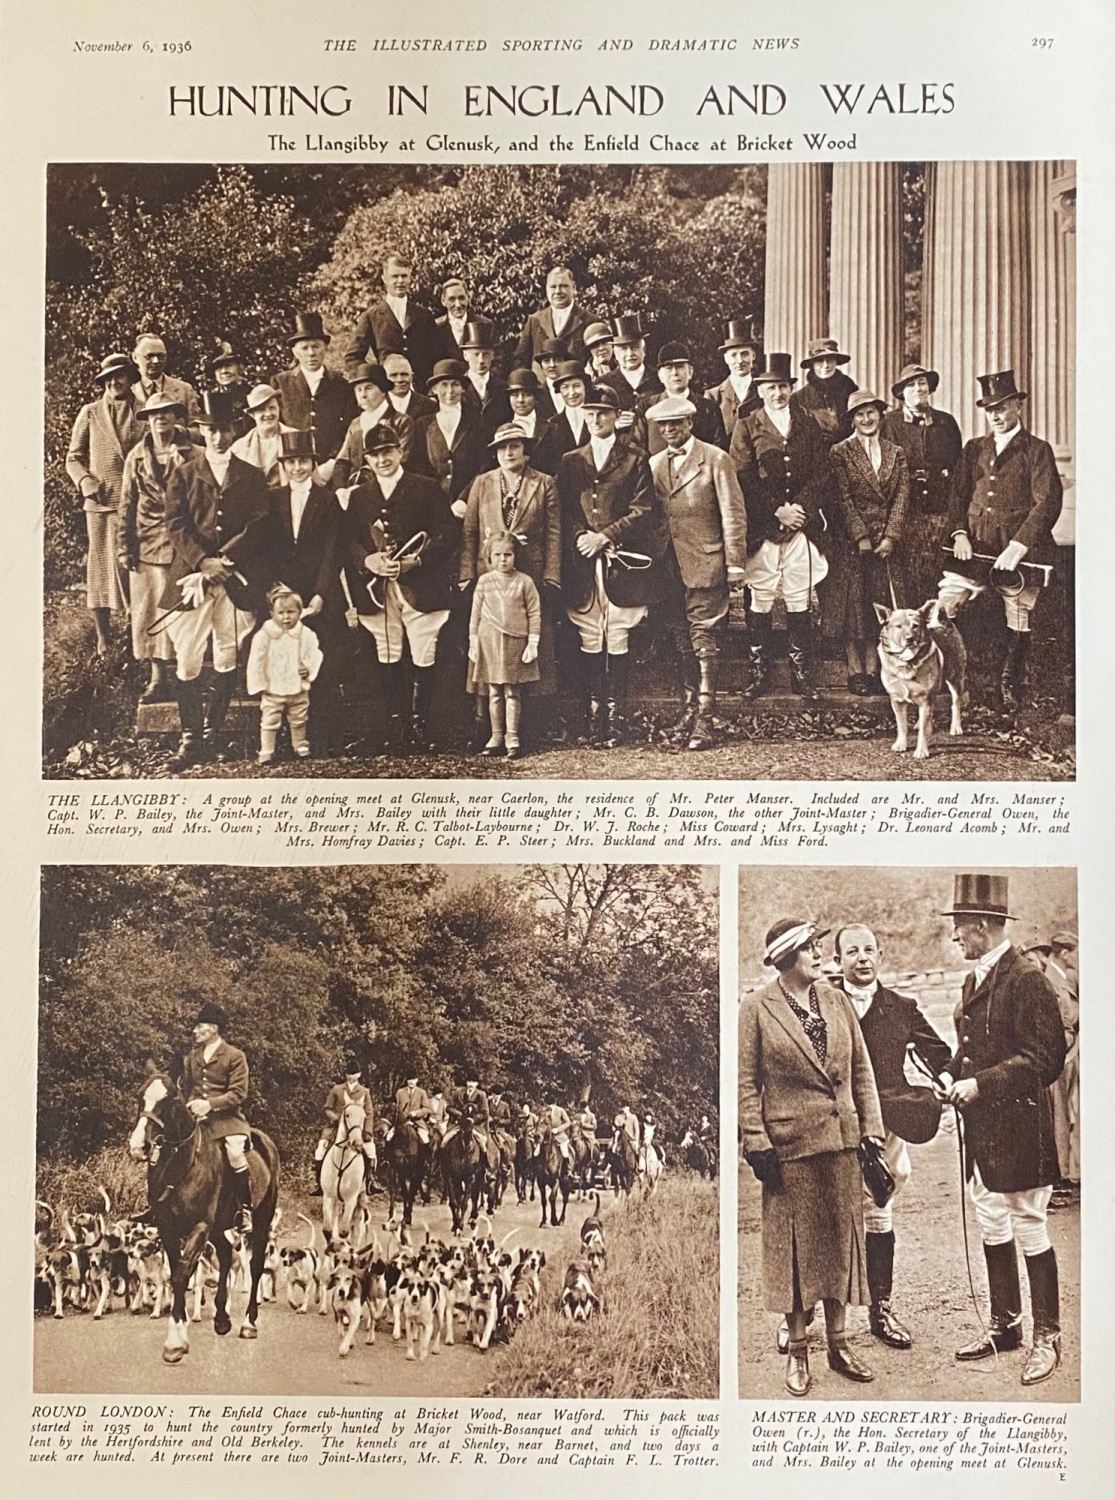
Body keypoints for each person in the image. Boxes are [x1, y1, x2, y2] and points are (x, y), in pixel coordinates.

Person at [739, 917, 884, 1396]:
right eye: (811, 948)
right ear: (787, 957)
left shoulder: (836, 999)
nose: (820, 954)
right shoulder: (757, 1009)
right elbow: (745, 1084)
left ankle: (839, 1345)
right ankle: (799, 1352)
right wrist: (757, 1141)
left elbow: (861, 1069)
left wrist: (872, 1132)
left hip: (841, 1143)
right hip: (790, 1151)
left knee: (840, 1245)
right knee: (796, 1254)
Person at [936, 873, 1067, 1386]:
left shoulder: (1027, 978)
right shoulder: (976, 981)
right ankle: (1006, 1326)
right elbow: (971, 1050)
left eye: (961, 929)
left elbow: (1045, 1058)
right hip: (983, 1131)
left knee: (1029, 1223)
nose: (956, 939)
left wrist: (980, 1085)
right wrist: (952, 1071)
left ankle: (1047, 1336)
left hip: (1020, 1127)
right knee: (992, 1220)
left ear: (986, 927)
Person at [831, 923, 952, 1350]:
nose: (862, 958)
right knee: (829, 1214)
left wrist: (949, 1079)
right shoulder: (823, 1002)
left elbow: (939, 1054)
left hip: (887, 1123)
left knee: (879, 1208)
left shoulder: (901, 1006)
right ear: (837, 961)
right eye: (852, 952)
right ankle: (808, 1312)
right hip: (835, 1123)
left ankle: (880, 1310)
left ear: (880, 956)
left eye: (869, 950)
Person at [940, 370, 1063, 712]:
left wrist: (1019, 545)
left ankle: (1009, 687)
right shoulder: (974, 449)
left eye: (1003, 407)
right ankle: (960, 686)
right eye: (990, 409)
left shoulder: (1036, 450)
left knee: (1018, 616)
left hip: (1018, 554)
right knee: (945, 607)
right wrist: (959, 533)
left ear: (1018, 408)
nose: (995, 415)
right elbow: (957, 499)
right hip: (975, 549)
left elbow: (1048, 501)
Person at [161, 389, 270, 768]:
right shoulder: (183, 474)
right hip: (193, 576)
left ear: (235, 431)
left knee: (228, 650)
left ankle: (213, 734)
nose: (219, 438)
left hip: (235, 578)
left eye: (225, 430)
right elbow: (175, 524)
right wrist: (204, 562)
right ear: (201, 432)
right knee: (188, 655)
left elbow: (259, 522)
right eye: (211, 430)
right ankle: (191, 739)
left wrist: (227, 559)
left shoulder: (252, 475)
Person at [646, 394, 747, 751]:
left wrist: (735, 563)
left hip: (706, 560)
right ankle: (687, 708)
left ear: (690, 423)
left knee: (703, 636)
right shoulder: (655, 463)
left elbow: (733, 514)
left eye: (677, 423)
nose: (670, 430)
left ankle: (706, 715)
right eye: (664, 425)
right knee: (680, 637)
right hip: (669, 567)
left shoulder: (716, 459)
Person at [345, 423, 454, 753]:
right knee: (386, 647)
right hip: (378, 589)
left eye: (387, 452)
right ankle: (397, 722)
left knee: (424, 648)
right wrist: (369, 561)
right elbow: (348, 541)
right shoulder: (360, 495)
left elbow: (446, 535)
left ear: (400, 452)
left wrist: (415, 563)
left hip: (419, 586)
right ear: (367, 460)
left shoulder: (425, 487)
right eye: (375, 455)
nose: (382, 460)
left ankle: (421, 724)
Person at [557, 385, 656, 747]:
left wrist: (607, 536)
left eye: (603, 412)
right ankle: (591, 716)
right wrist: (582, 535)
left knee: (616, 631)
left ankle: (616, 720)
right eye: (590, 412)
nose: (596, 418)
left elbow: (643, 510)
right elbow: (565, 509)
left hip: (619, 561)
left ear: (616, 416)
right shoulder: (571, 461)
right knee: (588, 631)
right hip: (583, 561)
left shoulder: (635, 458)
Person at [733, 352, 833, 703]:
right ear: (760, 390)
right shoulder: (747, 425)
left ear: (792, 388)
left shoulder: (807, 422)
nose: (777, 393)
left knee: (797, 595)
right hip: (764, 525)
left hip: (801, 525)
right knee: (760, 596)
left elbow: (822, 474)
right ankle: (758, 672)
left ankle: (801, 673)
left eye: (783, 386)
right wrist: (777, 511)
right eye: (770, 387)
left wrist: (801, 510)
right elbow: (742, 477)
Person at [459, 420, 560, 727]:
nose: (508, 452)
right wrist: (467, 572)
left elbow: (554, 532)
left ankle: (534, 717)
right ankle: (486, 718)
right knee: (490, 640)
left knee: (530, 639)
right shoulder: (483, 482)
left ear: (525, 450)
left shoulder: (543, 483)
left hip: (529, 572)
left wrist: (552, 572)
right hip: (491, 573)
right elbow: (470, 531)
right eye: (502, 447)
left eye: (514, 446)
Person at [828, 391, 912, 694]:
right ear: (852, 419)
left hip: (886, 544)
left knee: (883, 603)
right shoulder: (840, 452)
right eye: (859, 414)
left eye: (871, 413)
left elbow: (902, 496)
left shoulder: (895, 452)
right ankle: (855, 670)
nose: (866, 419)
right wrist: (860, 535)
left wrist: (891, 535)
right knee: (855, 606)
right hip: (853, 542)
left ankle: (878, 669)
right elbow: (843, 497)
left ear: (880, 415)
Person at [117, 390, 195, 700]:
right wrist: (124, 546)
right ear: (147, 419)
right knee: (149, 611)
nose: (160, 418)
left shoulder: (192, 452)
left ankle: (186, 675)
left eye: (167, 412)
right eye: (154, 413)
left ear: (177, 416)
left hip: (183, 542)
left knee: (183, 609)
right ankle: (157, 677)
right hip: (147, 543)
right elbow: (126, 503)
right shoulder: (136, 456)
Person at [65, 351, 142, 653]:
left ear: (130, 378)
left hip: (136, 503)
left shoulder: (145, 412)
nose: (114, 382)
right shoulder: (91, 412)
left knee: (133, 567)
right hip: (99, 503)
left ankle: (139, 635)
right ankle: (104, 638)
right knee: (99, 569)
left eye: (120, 375)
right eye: (108, 378)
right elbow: (74, 458)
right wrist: (85, 481)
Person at [881, 364, 963, 607]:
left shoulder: (945, 422)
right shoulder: (890, 423)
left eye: (922, 383)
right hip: (905, 510)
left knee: (937, 572)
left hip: (939, 509)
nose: (918, 388)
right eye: (911, 385)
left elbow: (958, 468)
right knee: (906, 573)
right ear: (901, 393)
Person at [180, 1003, 254, 1236]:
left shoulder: (234, 1056)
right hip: (198, 1119)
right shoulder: (192, 1057)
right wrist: (191, 1105)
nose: (196, 1030)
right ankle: (158, 1206)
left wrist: (210, 1104)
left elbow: (238, 1093)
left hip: (227, 1120)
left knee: (234, 1153)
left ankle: (244, 1209)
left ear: (213, 1028)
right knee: (169, 1147)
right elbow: (189, 1088)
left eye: (200, 1026)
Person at [468, 531, 541, 760]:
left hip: (515, 640)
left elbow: (534, 613)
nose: (503, 560)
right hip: (489, 639)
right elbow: (475, 614)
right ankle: (496, 736)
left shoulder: (524, 582)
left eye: (507, 555)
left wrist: (533, 642)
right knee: (494, 690)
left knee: (512, 691)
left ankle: (512, 737)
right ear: (489, 558)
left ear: (515, 556)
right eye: (497, 555)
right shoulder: (484, 582)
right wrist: (473, 640)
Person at [273, 312, 358, 483]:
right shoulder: (281, 382)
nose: (311, 353)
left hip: (330, 471)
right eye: (304, 348)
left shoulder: (341, 385)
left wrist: (331, 464)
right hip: (292, 469)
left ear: (325, 347)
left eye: (316, 346)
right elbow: (275, 427)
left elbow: (349, 428)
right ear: (295, 352)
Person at [245, 584, 322, 764]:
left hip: (297, 686)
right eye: (281, 613)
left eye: (291, 612)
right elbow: (256, 659)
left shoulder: (305, 634)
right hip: (274, 687)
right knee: (270, 719)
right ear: (272, 613)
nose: (286, 617)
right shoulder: (265, 635)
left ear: (300, 612)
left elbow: (314, 653)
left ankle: (300, 744)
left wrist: (308, 669)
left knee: (299, 716)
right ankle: (267, 749)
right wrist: (258, 683)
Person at [344, 252, 441, 388]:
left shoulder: (424, 315)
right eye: (395, 276)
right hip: (388, 391)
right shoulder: (371, 316)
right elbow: (352, 358)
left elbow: (438, 356)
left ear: (410, 278)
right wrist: (374, 379)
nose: (400, 281)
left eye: (404, 276)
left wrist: (432, 388)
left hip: (421, 392)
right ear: (384, 279)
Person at [409, 359, 489, 519]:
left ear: (462, 388)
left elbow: (484, 465)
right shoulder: (422, 425)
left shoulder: (477, 422)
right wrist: (432, 500)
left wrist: (464, 499)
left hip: (470, 507)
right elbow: (416, 466)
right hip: (432, 508)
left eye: (455, 384)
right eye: (444, 385)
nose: (450, 391)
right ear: (434, 389)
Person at [332, 364, 415, 494]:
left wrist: (362, 488)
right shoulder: (356, 424)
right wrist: (340, 489)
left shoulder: (401, 421)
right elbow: (342, 461)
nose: (363, 395)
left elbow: (402, 460)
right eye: (358, 390)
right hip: (352, 492)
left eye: (368, 388)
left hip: (390, 490)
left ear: (383, 391)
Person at [636, 341, 728, 454]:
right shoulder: (647, 406)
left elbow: (719, 451)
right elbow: (637, 449)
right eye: (668, 368)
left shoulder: (708, 408)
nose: (675, 373)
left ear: (690, 372)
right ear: (660, 376)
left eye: (680, 367)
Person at [514, 266, 592, 377]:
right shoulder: (534, 320)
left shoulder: (589, 320)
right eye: (553, 287)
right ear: (546, 289)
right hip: (541, 391)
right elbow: (520, 360)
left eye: (563, 286)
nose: (557, 291)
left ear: (574, 288)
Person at [312, 1061, 376, 1193]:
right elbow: (327, 1108)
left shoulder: (364, 1092)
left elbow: (369, 1113)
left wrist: (367, 1131)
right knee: (320, 1148)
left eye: (353, 1074)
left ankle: (370, 1181)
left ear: (359, 1075)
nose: (350, 1076)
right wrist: (335, 1118)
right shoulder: (337, 1089)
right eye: (348, 1074)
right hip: (337, 1127)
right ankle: (319, 1182)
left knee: (371, 1149)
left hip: (357, 1128)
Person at [1047, 930, 1080, 1191]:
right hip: (1061, 1056)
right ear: (1065, 953)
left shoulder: (1059, 977)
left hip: (1066, 1051)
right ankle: (1061, 1174)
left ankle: (1065, 1171)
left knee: (1065, 1114)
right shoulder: (1053, 979)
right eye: (1075, 953)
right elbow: (1064, 1019)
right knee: (1059, 1114)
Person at [790, 337, 858, 447]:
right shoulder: (798, 399)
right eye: (820, 360)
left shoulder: (851, 391)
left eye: (830, 359)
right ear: (812, 364)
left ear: (836, 361)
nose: (826, 365)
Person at [131, 333, 202, 431]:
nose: (156, 361)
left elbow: (198, 430)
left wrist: (180, 433)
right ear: (135, 357)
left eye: (161, 356)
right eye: (149, 356)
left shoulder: (184, 390)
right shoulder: (127, 391)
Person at [532, 361, 591, 476]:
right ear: (559, 391)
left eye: (577, 386)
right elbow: (541, 466)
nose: (571, 393)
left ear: (585, 387)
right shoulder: (552, 425)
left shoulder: (597, 419)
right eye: (565, 387)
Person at [707, 321, 763, 442]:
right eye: (733, 355)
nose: (739, 361)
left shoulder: (764, 392)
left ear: (753, 356)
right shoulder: (713, 395)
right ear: (726, 358)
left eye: (744, 354)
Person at [231, 384, 296, 486]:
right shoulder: (239, 448)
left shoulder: (296, 438)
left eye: (272, 408)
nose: (268, 414)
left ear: (279, 409)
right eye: (261, 409)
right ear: (253, 415)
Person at [459, 319, 511, 442]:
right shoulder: (458, 388)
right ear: (465, 356)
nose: (481, 360)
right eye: (476, 354)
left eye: (486, 354)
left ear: (493, 355)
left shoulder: (503, 388)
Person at [601, 313, 658, 417]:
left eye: (634, 347)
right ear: (615, 353)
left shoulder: (658, 379)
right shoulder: (603, 384)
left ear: (644, 350)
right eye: (623, 349)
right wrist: (614, 423)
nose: (630, 354)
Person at [205, 342, 253, 438]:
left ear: (240, 368)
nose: (224, 371)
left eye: (228, 365)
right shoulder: (210, 400)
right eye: (218, 368)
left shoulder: (252, 394)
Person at [383, 353, 437, 423]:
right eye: (393, 375)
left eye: (404, 374)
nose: (400, 380)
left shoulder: (429, 406)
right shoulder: (377, 405)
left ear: (411, 377)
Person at [445, 1077, 491, 1155]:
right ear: (466, 1082)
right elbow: (449, 1108)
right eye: (469, 1081)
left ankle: (485, 1164)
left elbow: (485, 1113)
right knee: (444, 1141)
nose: (471, 1084)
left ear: (477, 1084)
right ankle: (439, 1163)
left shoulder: (481, 1095)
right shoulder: (458, 1092)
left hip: (475, 1125)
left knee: (483, 1145)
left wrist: (473, 1119)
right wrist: (460, 1115)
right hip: (458, 1124)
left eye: (473, 1082)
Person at [434, 276, 474, 361]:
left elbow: (497, 363)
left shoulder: (484, 324)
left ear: (468, 298)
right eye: (452, 299)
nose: (458, 304)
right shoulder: (434, 327)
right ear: (443, 301)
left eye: (461, 298)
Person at [390, 1075, 433, 1145]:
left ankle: (426, 1155)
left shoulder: (422, 1092)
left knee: (425, 1139)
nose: (411, 1082)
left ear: (417, 1080)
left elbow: (426, 1108)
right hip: (401, 1123)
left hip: (417, 1122)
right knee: (388, 1137)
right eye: (409, 1079)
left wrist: (417, 1113)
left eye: (413, 1079)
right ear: (406, 1081)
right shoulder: (400, 1092)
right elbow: (396, 1108)